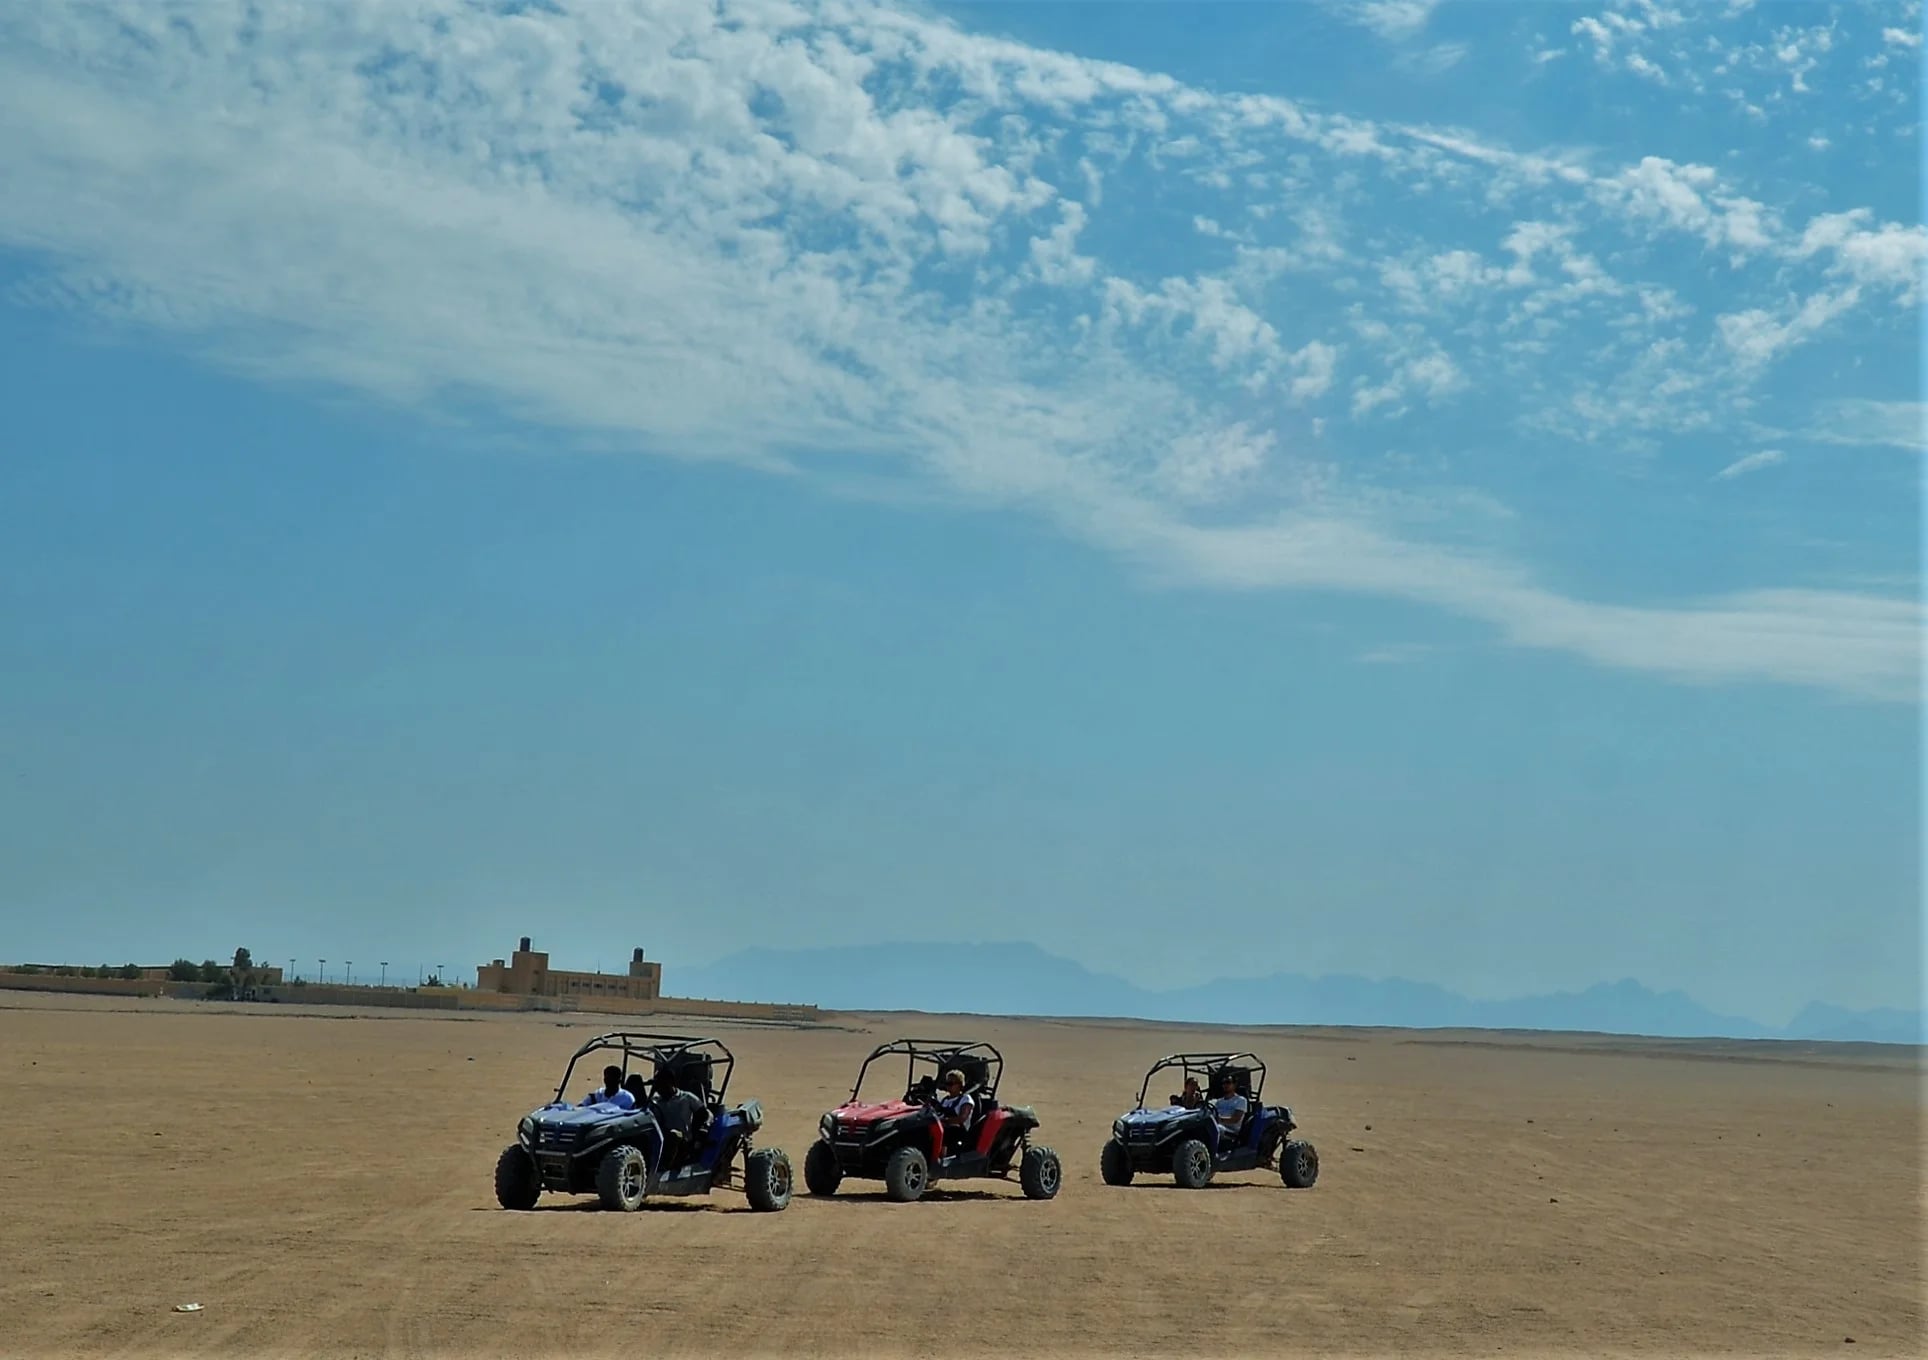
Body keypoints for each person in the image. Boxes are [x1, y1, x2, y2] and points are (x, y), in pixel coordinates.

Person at [651, 1072, 707, 1169]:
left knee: (673, 1135)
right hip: (661, 1140)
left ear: (671, 1083)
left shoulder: (687, 1098)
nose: (660, 1090)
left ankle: (665, 1167)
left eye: (662, 1085)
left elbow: (704, 1113)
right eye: (657, 1087)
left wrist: (700, 1130)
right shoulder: (656, 1102)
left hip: (683, 1141)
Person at [937, 1069, 975, 1154]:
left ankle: (941, 1159)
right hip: (943, 1126)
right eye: (947, 1084)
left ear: (960, 1085)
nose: (948, 1086)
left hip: (959, 1131)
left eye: (951, 1084)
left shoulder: (965, 1099)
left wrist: (944, 1121)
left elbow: (962, 1118)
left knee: (944, 1133)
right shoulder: (944, 1100)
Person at [1211, 1071, 1248, 1141]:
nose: (1225, 1085)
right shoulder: (1218, 1101)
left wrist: (1219, 1120)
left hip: (1231, 1131)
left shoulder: (1240, 1100)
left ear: (1234, 1085)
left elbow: (1235, 1119)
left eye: (1228, 1082)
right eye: (1223, 1083)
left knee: (1216, 1129)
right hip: (1218, 1126)